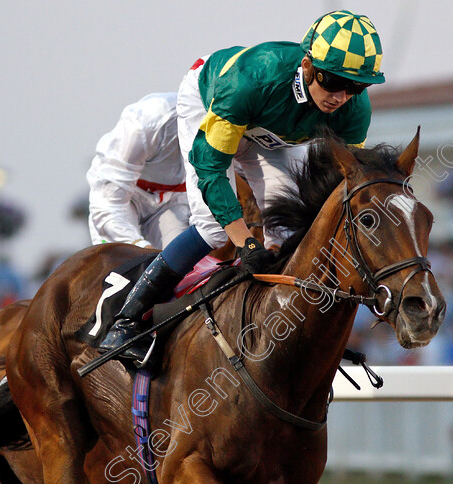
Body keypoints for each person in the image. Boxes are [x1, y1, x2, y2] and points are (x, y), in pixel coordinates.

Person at [100, 10, 387, 362]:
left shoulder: (354, 111)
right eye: (333, 82)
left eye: (355, 86)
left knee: (287, 230)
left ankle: (284, 328)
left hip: (270, 132)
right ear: (309, 65)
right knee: (212, 229)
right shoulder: (250, 80)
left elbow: (340, 187)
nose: (341, 97)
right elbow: (210, 169)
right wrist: (245, 241)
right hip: (213, 99)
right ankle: (126, 320)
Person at [87, 92, 189, 249]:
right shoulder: (146, 122)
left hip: (173, 200)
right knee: (132, 262)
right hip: (122, 199)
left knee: (182, 265)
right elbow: (108, 205)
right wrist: (139, 246)